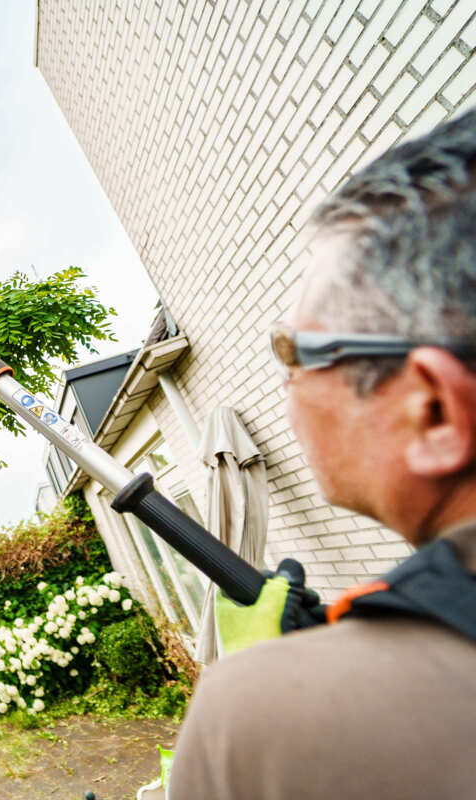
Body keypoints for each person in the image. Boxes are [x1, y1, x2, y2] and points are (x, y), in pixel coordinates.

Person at [168, 108, 476, 799]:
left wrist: (275, 687)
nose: (286, 384)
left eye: (298, 353)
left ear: (431, 408)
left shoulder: (259, 723)